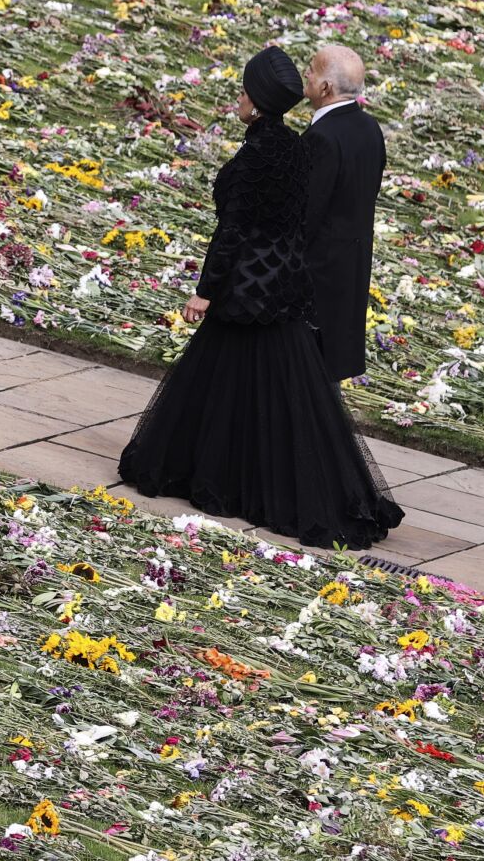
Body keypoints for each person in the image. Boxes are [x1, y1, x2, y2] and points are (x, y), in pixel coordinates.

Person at [118, 46, 403, 549]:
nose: (309, 78)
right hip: (331, 276)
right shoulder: (363, 131)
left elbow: (264, 224)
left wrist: (217, 288)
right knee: (286, 391)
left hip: (280, 282)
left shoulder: (309, 141)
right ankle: (254, 474)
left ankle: (267, 481)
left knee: (283, 397)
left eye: (315, 72)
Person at [299, 44, 385, 381]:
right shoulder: (370, 129)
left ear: (325, 88)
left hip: (317, 276)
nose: (306, 73)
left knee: (305, 376)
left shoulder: (322, 136)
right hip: (350, 272)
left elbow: (306, 214)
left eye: (312, 69)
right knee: (325, 376)